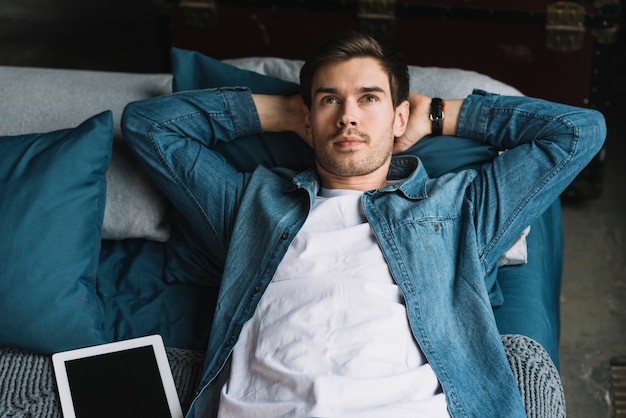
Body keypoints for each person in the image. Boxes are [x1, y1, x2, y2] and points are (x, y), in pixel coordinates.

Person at [122, 31, 606, 417]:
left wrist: (438, 115)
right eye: (330, 100)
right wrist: (286, 109)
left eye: (369, 98)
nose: (348, 116)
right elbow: (149, 126)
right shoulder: (252, 204)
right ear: (308, 120)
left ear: (399, 117)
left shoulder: (458, 207)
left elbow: (579, 132)